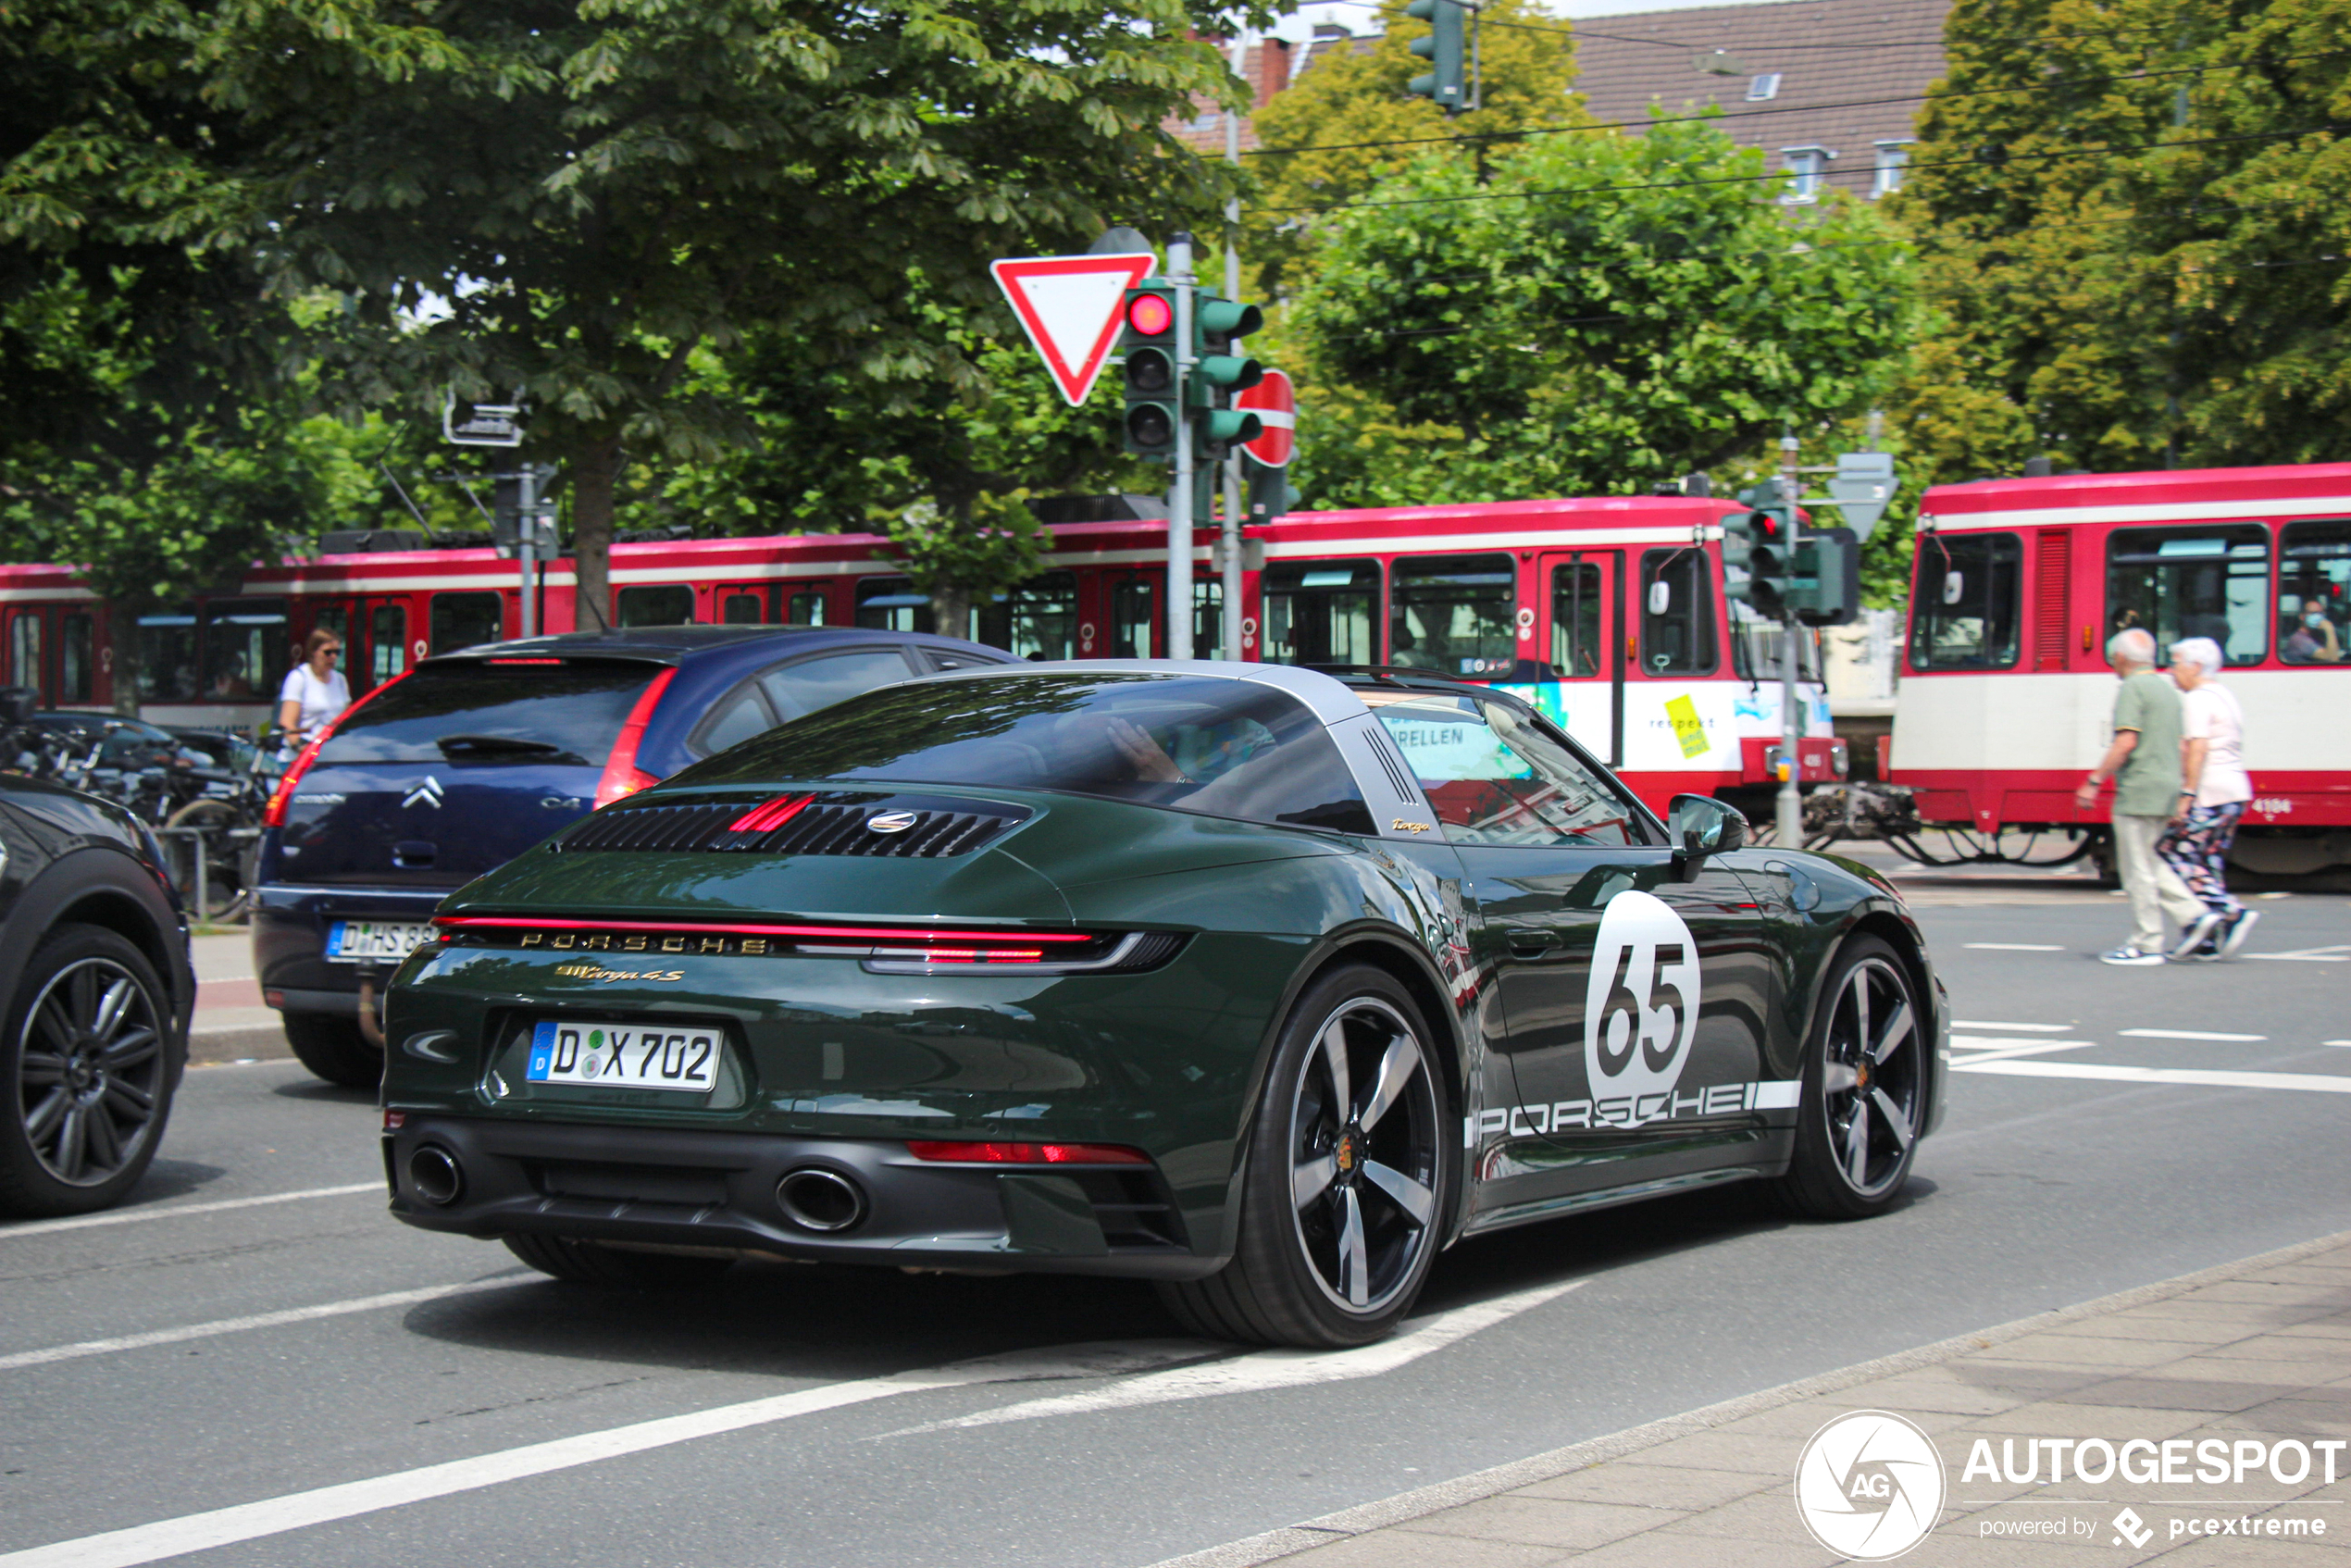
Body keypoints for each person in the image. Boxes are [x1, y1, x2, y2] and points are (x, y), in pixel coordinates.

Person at [2074, 628, 2203, 964]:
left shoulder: (2132, 688)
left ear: (2120, 657)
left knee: (2136, 870)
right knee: (2149, 860)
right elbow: (2182, 744)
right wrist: (2184, 788)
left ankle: (2147, 943)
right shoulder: (2168, 690)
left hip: (2139, 788)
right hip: (2166, 786)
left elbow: (2126, 742)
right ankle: (2195, 916)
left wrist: (2094, 779)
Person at [2156, 637, 2258, 959]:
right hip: (2235, 791)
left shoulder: (2197, 700)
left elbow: (2195, 748)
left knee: (2170, 851)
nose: (2171, 671)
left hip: (2209, 792)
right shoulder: (2225, 695)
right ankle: (2212, 936)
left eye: (2175, 663)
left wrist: (2186, 795)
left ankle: (2229, 911)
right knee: (2207, 862)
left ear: (2196, 667)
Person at [277, 629, 349, 758]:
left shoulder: (340, 679)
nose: (333, 657)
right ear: (313, 652)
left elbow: (346, 718)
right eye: (328, 652)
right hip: (299, 758)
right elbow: (287, 723)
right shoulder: (299, 677)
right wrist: (305, 751)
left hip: (330, 755)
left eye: (337, 652)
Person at [2282, 596, 2343, 664]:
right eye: (2313, 613)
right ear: (2302, 616)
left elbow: (2335, 654)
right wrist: (2330, 630)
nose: (2318, 616)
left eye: (2320, 613)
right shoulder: (2298, 640)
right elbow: (2331, 659)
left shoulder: (2317, 636)